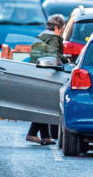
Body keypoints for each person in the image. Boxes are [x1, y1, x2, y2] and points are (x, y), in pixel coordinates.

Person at [26, 15, 66, 145]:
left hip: (35, 73)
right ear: (56, 28)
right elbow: (54, 57)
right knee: (45, 104)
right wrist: (66, 60)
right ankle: (32, 133)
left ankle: (45, 136)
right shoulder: (54, 39)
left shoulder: (40, 36)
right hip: (47, 75)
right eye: (61, 29)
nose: (62, 33)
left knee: (42, 104)